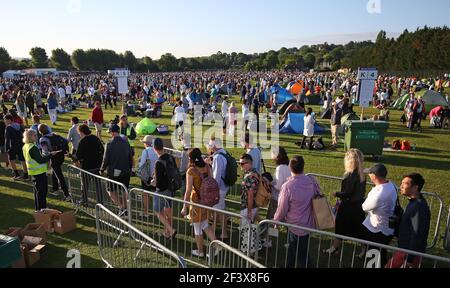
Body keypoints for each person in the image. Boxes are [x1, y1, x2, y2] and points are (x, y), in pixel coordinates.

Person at [274, 156, 318, 268]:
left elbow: (282, 208)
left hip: (294, 225)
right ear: (303, 167)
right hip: (307, 223)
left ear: (290, 167)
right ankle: (288, 265)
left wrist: (276, 221)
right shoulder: (311, 181)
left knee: (301, 255)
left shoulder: (288, 186)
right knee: (293, 249)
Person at [324, 149, 366, 255]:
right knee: (359, 229)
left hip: (348, 207)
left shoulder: (351, 175)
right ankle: (365, 249)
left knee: (340, 228)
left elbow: (347, 193)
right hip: (359, 206)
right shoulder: (362, 173)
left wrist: (336, 193)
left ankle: (335, 248)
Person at [385, 173, 431, 268]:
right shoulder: (414, 203)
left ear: (415, 188)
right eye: (401, 183)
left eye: (405, 183)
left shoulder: (418, 207)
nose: (401, 186)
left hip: (407, 252)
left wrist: (409, 259)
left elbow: (417, 233)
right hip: (407, 250)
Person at [181, 148, 218, 258]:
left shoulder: (191, 171)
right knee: (205, 224)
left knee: (197, 227)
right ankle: (217, 244)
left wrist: (184, 206)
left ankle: (200, 251)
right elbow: (211, 181)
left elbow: (188, 190)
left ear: (191, 158)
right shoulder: (207, 167)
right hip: (207, 201)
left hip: (196, 202)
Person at [361, 163, 397, 266]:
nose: (368, 175)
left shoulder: (379, 194)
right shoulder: (391, 185)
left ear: (374, 176)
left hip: (377, 229)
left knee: (374, 254)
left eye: (370, 173)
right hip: (386, 227)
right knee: (381, 253)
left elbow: (365, 207)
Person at [100, 124, 133, 216]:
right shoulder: (126, 142)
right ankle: (125, 208)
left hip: (114, 171)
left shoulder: (109, 144)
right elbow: (130, 156)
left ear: (112, 132)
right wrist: (130, 168)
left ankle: (121, 207)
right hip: (126, 170)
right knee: (124, 190)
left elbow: (105, 158)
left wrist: (102, 169)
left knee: (110, 190)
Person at [22, 129, 57, 211]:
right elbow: (41, 160)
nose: (37, 136)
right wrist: (51, 155)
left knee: (37, 192)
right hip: (39, 173)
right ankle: (42, 209)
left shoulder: (25, 146)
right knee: (42, 192)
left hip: (33, 172)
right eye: (35, 135)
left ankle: (38, 209)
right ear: (30, 137)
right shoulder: (33, 148)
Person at [151, 138, 177, 239]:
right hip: (171, 188)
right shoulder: (170, 157)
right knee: (168, 211)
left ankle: (171, 230)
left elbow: (159, 183)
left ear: (154, 148)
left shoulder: (158, 162)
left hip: (162, 190)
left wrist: (153, 183)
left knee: (158, 211)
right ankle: (167, 232)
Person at [39, 125, 71, 201]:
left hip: (54, 157)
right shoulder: (55, 134)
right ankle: (55, 189)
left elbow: (45, 153)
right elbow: (66, 141)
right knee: (55, 172)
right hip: (61, 156)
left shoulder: (43, 139)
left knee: (59, 176)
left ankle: (67, 195)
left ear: (40, 131)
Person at [76, 124, 105, 205]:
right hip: (97, 166)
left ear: (81, 132)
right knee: (98, 185)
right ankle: (100, 202)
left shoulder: (83, 141)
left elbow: (78, 155)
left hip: (87, 167)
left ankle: (84, 201)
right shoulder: (96, 138)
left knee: (84, 186)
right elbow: (102, 150)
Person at [208, 139, 229, 240]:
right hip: (224, 186)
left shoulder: (217, 157)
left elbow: (216, 176)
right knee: (219, 209)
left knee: (220, 211)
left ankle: (224, 233)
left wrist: (213, 189)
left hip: (219, 188)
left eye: (210, 144)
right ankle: (216, 228)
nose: (209, 146)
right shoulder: (224, 153)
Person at [138, 135, 158, 216]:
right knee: (157, 194)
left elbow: (141, 165)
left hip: (147, 176)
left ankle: (146, 212)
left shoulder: (145, 151)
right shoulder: (156, 150)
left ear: (146, 143)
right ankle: (158, 212)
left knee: (146, 194)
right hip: (156, 175)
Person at [4, 114, 28, 180]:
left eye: (5, 120)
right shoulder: (19, 125)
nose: (5, 121)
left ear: (9, 120)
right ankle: (26, 175)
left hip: (13, 146)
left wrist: (7, 149)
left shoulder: (8, 128)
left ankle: (17, 174)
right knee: (22, 160)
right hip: (21, 145)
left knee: (11, 160)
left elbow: (7, 139)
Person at [239, 154, 260, 226]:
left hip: (248, 207)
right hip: (252, 206)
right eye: (239, 163)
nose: (240, 165)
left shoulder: (250, 177)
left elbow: (250, 195)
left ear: (248, 163)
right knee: (249, 229)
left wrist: (249, 211)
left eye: (242, 163)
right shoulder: (254, 172)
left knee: (246, 231)